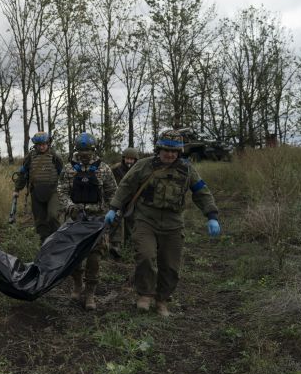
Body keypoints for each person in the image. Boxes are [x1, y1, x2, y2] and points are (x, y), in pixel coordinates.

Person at [104, 129, 221, 318]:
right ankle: (144, 294)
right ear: (159, 149)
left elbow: (201, 192)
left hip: (173, 222)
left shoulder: (187, 169)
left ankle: (162, 299)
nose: (169, 154)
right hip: (145, 219)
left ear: (179, 152)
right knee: (145, 256)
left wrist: (212, 215)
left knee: (170, 265)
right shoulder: (144, 165)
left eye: (174, 151)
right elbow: (126, 186)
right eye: (166, 150)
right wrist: (114, 207)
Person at [57, 132, 117, 310]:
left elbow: (113, 192)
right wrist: (70, 207)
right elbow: (61, 191)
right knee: (74, 256)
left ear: (93, 149)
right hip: (75, 219)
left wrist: (113, 212)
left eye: (88, 150)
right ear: (76, 149)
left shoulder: (104, 168)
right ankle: (77, 284)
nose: (85, 154)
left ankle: (90, 292)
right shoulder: (69, 168)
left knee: (94, 258)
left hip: (96, 219)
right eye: (81, 150)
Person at [13, 131, 64, 245]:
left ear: (48, 143)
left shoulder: (55, 156)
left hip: (53, 191)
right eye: (39, 145)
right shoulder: (30, 157)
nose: (42, 147)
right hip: (36, 191)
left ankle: (57, 240)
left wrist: (67, 190)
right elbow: (23, 174)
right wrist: (17, 190)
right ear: (35, 145)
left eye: (44, 144)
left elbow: (63, 174)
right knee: (40, 220)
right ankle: (44, 242)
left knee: (52, 216)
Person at [109, 147, 140, 258]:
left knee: (131, 223)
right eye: (127, 159)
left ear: (136, 160)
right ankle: (115, 246)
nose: (129, 161)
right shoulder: (115, 169)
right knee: (115, 222)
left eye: (132, 159)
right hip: (118, 200)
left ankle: (129, 248)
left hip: (133, 201)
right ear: (123, 158)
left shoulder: (139, 169)